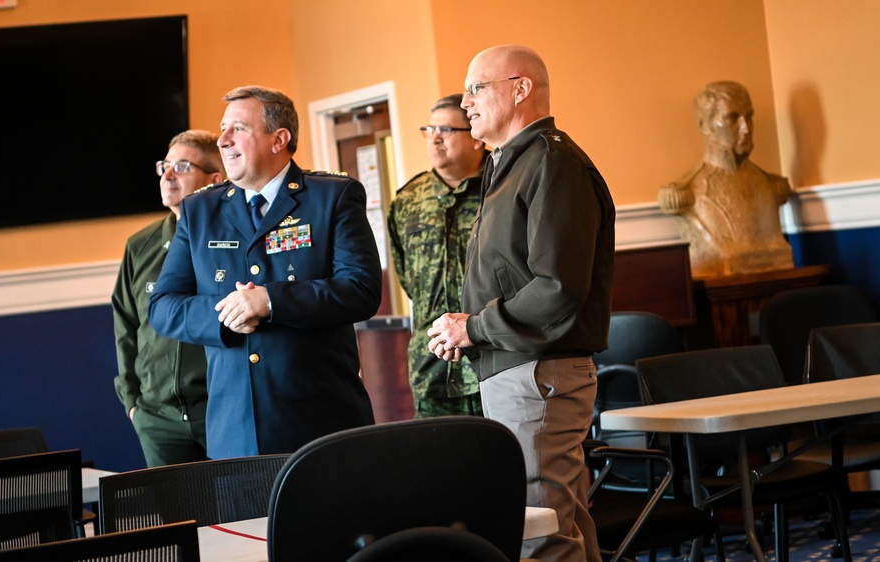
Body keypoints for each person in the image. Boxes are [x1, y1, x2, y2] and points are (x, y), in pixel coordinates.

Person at [427, 45, 613, 562]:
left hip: (537, 373)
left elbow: (557, 288)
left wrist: (474, 328)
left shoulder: (552, 162)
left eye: (476, 88)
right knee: (561, 524)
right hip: (518, 367)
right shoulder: (511, 162)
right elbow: (511, 275)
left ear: (521, 88)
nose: (465, 103)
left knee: (540, 534)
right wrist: (467, 327)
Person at [148, 85, 381, 459]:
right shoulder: (200, 210)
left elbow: (361, 289)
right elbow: (162, 307)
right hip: (235, 433)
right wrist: (227, 315)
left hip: (322, 426)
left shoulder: (332, 196)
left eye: (238, 129)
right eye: (223, 129)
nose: (223, 140)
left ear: (279, 139)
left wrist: (270, 300)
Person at [112, 129, 224, 467]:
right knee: (176, 505)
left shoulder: (232, 239)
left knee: (242, 503)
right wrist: (133, 404)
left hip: (220, 411)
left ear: (215, 179)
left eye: (183, 166)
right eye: (165, 166)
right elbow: (125, 326)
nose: (168, 175)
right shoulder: (139, 245)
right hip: (157, 420)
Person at [387, 93, 488, 418]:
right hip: (432, 365)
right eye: (429, 130)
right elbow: (407, 277)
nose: (434, 138)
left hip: (495, 358)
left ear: (475, 136)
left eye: (445, 130)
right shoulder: (407, 200)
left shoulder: (503, 186)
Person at [658, 80, 794, 278]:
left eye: (749, 117)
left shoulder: (772, 186)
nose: (745, 128)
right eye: (732, 118)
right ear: (705, 126)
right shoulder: (686, 193)